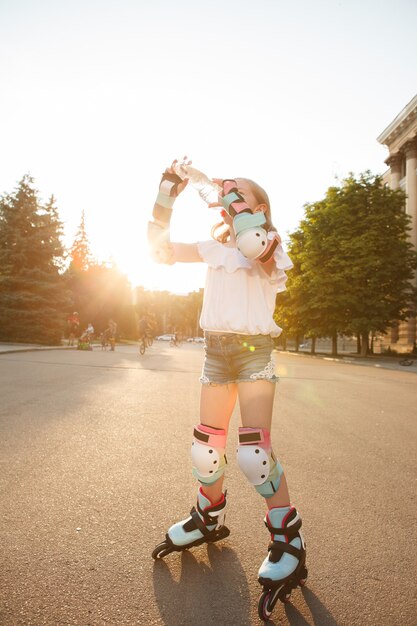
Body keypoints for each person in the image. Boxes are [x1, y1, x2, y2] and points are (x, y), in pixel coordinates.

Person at [149, 162, 307, 614]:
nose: (227, 200)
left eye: (239, 196)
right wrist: (166, 194)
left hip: (254, 352)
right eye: (228, 197)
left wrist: (227, 190)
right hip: (216, 353)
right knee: (206, 447)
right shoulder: (215, 250)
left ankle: (288, 539)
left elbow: (253, 241)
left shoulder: (272, 247)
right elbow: (158, 252)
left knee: (254, 454)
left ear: (258, 208)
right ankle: (208, 515)